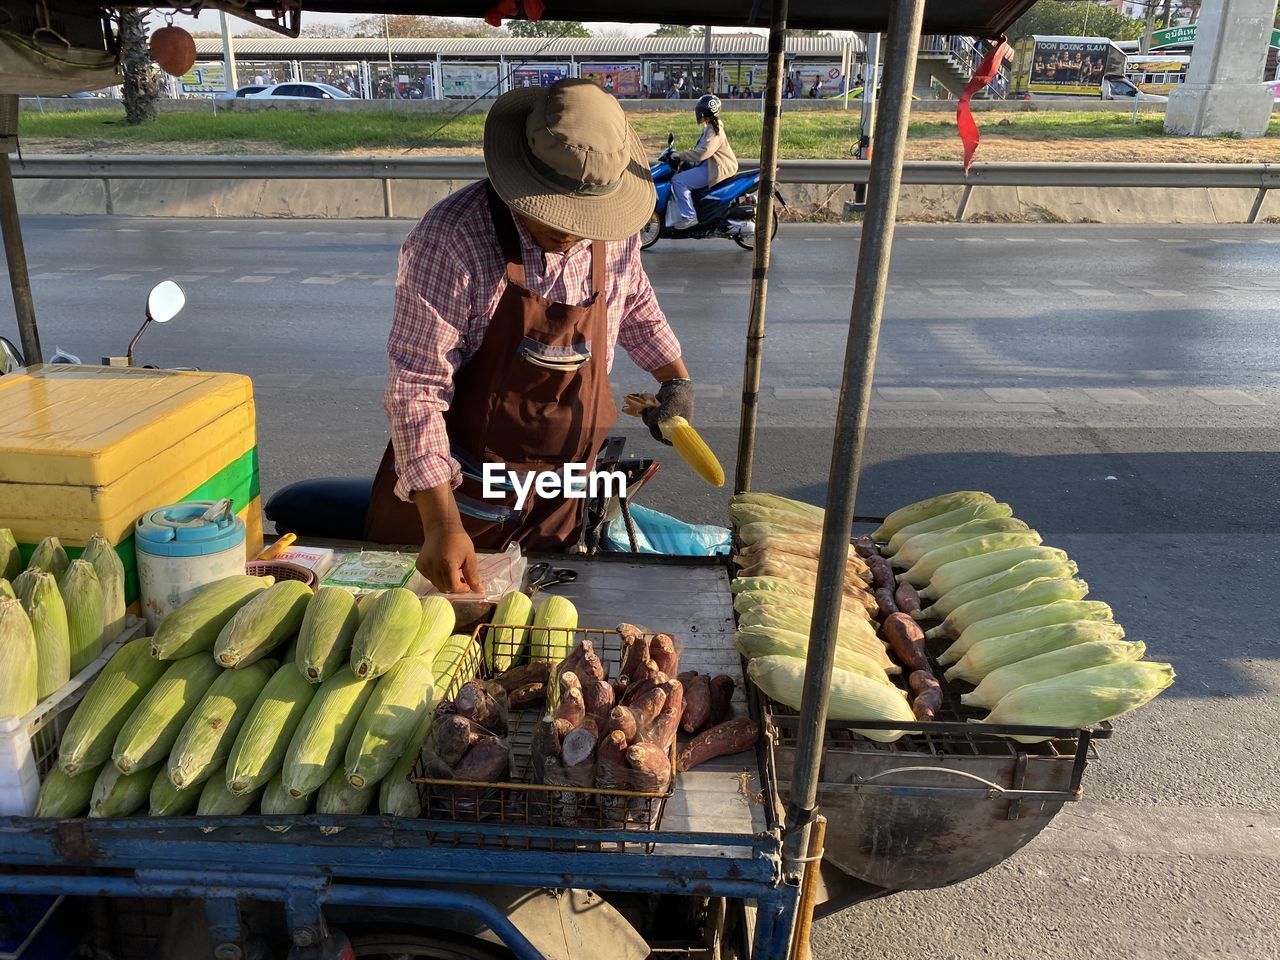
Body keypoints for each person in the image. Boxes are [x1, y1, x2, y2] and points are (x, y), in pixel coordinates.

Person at [376, 80, 695, 592]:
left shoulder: (615, 230)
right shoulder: (453, 240)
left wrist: (674, 379)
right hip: (466, 501)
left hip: (562, 491)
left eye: (585, 217)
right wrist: (440, 526)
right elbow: (415, 389)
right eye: (557, 214)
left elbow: (633, 301)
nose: (573, 231)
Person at [668, 94, 738, 231]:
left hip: (716, 168)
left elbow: (703, 153)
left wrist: (680, 156)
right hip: (711, 165)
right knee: (684, 174)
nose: (697, 113)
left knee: (678, 181)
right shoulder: (711, 127)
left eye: (700, 110)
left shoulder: (714, 130)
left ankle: (689, 216)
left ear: (706, 112)